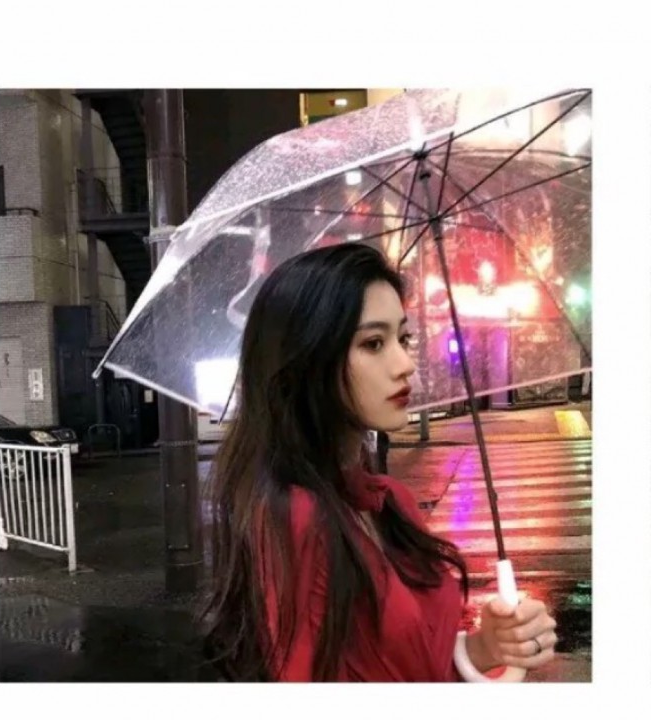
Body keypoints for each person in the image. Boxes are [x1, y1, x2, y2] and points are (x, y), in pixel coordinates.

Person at [199, 243, 557, 682]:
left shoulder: (389, 503)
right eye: (373, 343)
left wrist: (486, 648)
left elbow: (412, 661)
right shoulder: (295, 517)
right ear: (307, 360)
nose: (405, 364)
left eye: (403, 339)